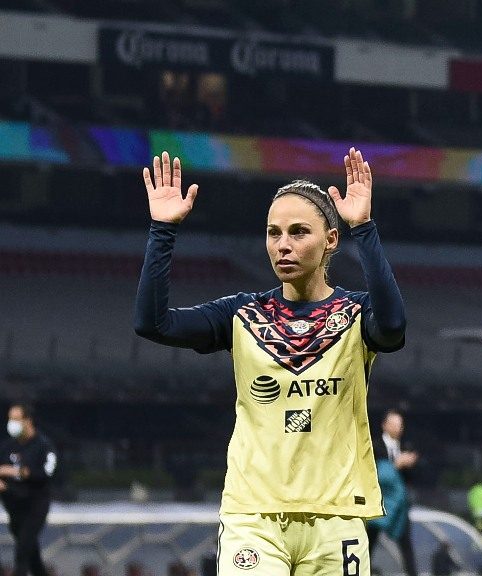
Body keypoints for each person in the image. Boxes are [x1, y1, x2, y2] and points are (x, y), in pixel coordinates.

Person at [134, 149, 406, 575]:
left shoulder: (355, 315)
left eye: (299, 232)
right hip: (253, 517)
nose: (283, 245)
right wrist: (163, 230)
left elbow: (392, 329)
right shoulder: (241, 314)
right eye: (273, 232)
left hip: (336, 519)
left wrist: (364, 228)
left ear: (330, 240)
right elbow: (153, 324)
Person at [0, 403, 57, 576]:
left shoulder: (43, 446)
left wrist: (19, 471)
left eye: (16, 419)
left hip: (35, 506)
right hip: (14, 507)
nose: (12, 423)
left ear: (28, 421)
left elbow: (46, 473)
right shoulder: (7, 447)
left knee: (22, 552)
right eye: (10, 419)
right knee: (32, 555)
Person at [370, 410, 418, 576]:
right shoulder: (374, 446)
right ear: (385, 425)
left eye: (400, 425)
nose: (398, 428)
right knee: (369, 542)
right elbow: (375, 474)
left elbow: (412, 479)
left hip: (399, 505)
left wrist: (410, 465)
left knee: (406, 545)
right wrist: (395, 465)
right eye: (395, 424)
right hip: (378, 502)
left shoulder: (406, 447)